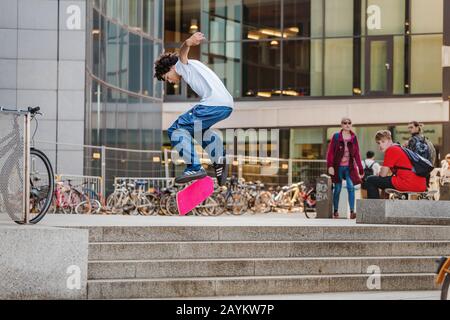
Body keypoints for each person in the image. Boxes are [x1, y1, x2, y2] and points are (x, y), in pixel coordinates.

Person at [154, 32, 233, 185]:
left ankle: (194, 167)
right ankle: (219, 160)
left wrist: (188, 43)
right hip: (226, 106)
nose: (170, 81)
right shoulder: (194, 66)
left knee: (175, 130)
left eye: (166, 78)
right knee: (198, 129)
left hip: (213, 104)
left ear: (170, 68)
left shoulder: (181, 65)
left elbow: (182, 54)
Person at [366, 130, 427, 199]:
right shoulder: (399, 148)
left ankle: (374, 208)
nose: (380, 145)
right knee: (380, 181)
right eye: (378, 143)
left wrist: (380, 173)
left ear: (390, 140)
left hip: (408, 182)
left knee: (370, 180)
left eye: (383, 142)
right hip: (420, 184)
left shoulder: (391, 150)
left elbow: (383, 174)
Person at [326, 117, 364, 219]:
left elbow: (357, 154)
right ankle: (336, 211)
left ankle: (352, 212)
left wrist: (360, 168)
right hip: (337, 167)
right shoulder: (336, 136)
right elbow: (330, 152)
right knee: (337, 189)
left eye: (349, 123)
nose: (347, 124)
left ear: (351, 125)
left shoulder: (354, 137)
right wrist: (330, 166)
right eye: (345, 123)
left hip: (349, 167)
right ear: (341, 125)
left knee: (351, 187)